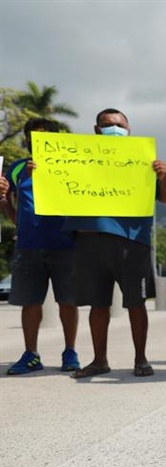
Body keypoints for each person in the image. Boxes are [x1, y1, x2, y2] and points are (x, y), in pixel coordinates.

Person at [66, 108, 166, 379]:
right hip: (90, 239)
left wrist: (161, 177)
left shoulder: (145, 160)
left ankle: (141, 359)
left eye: (119, 124)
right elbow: (58, 189)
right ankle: (99, 360)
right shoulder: (77, 159)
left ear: (129, 130)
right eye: (107, 124)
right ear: (96, 129)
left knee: (136, 303)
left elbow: (163, 199)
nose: (114, 128)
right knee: (97, 304)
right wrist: (41, 173)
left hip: (132, 241)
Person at [2, 118, 80, 375]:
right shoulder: (16, 169)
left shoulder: (72, 166)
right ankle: (31, 354)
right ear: (26, 139)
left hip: (66, 245)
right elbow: (11, 207)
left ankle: (70, 352)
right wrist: (4, 201)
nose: (36, 141)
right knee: (30, 303)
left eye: (44, 137)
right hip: (28, 246)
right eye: (32, 136)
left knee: (68, 302)